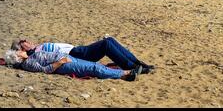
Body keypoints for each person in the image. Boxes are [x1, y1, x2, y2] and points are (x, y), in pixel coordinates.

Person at [12, 37, 154, 73]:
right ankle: (131, 66)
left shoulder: (37, 46)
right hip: (75, 54)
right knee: (106, 44)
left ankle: (139, 63)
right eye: (23, 42)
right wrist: (25, 53)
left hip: (77, 50)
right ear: (21, 48)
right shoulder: (33, 53)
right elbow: (45, 64)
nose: (27, 41)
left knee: (109, 41)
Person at [5, 49, 143, 81]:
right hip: (64, 65)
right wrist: (61, 62)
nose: (21, 50)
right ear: (17, 57)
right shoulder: (28, 64)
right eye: (18, 51)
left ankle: (124, 72)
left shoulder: (30, 57)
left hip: (66, 59)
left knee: (94, 65)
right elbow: (45, 70)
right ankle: (124, 75)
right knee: (93, 68)